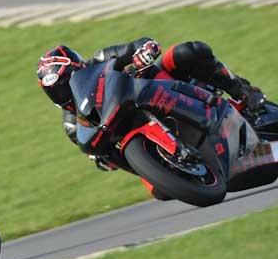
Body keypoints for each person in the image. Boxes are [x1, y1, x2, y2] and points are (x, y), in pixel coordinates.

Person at [36, 39, 266, 171]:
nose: (63, 93)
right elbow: (105, 158)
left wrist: (143, 52)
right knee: (161, 192)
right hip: (146, 144)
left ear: (78, 67)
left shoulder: (100, 59)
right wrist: (102, 159)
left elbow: (140, 44)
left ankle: (244, 94)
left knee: (184, 53)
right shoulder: (72, 124)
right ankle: (175, 169)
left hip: (164, 89)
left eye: (65, 84)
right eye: (54, 91)